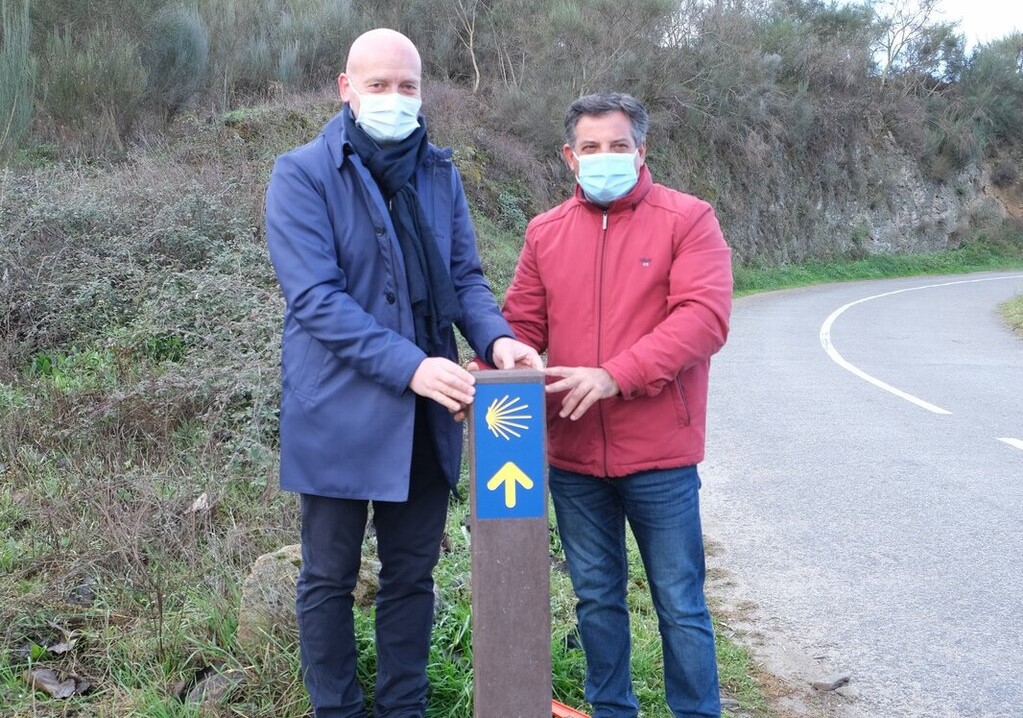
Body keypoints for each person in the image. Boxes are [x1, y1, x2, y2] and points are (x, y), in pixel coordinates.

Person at [264, 28, 542, 718]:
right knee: (327, 576)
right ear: (345, 88)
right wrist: (414, 365)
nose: (393, 98)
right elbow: (316, 301)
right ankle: (336, 709)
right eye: (378, 85)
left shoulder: (438, 172)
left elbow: (465, 278)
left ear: (422, 91)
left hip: (427, 410)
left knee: (411, 575)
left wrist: (497, 339)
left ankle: (402, 709)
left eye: (407, 86)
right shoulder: (300, 174)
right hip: (335, 408)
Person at [499, 92, 733, 718]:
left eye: (619, 145)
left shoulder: (689, 219)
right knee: (596, 599)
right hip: (573, 456)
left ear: (642, 150)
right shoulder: (545, 232)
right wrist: (488, 373)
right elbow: (517, 326)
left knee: (680, 602)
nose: (606, 157)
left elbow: (704, 319)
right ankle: (611, 710)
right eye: (591, 148)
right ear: (569, 158)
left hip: (659, 454)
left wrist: (614, 374)